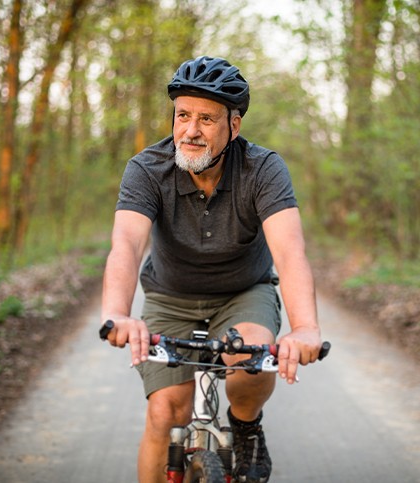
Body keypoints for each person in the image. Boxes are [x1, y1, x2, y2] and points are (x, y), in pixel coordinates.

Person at [101, 55, 322, 483]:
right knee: (166, 412)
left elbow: (291, 252)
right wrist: (119, 312)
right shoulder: (147, 169)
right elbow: (126, 245)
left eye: (206, 118)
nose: (190, 130)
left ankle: (245, 425)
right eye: (183, 115)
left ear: (233, 127)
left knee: (251, 361)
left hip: (243, 293)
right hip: (170, 296)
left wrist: (305, 327)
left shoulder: (263, 169)